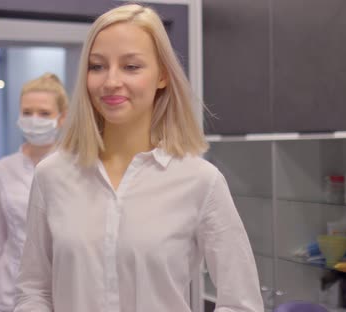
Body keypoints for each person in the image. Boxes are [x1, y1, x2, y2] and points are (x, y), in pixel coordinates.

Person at [14, 4, 264, 312]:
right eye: (97, 66)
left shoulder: (201, 181)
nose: (110, 81)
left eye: (131, 67)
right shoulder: (51, 175)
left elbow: (241, 303)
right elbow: (34, 290)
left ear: (162, 76)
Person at [0, 73, 69, 312]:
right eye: (27, 112)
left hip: (63, 295)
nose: (34, 119)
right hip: (7, 296)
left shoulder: (76, 168)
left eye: (44, 113)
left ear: (62, 118)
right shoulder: (2, 171)